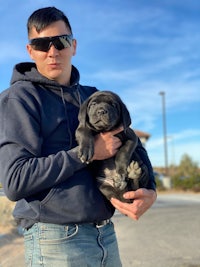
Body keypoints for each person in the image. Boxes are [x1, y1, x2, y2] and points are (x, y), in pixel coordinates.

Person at [0, 6, 156, 267]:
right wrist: (88, 153)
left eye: (60, 42)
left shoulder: (94, 97)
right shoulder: (19, 99)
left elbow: (132, 142)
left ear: (73, 45)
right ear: (30, 51)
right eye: (41, 44)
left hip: (104, 234)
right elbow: (15, 181)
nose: (52, 52)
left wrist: (150, 189)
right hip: (55, 240)